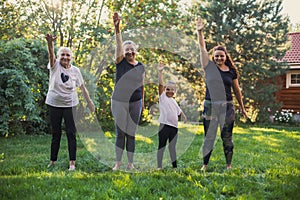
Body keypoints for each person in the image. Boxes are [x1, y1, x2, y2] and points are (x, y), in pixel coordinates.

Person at [196, 19, 248, 171]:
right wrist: (200, 32)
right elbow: (202, 49)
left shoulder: (231, 72)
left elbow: (237, 91)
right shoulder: (209, 67)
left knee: (227, 137)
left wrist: (243, 108)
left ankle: (228, 165)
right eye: (216, 56)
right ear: (213, 57)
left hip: (227, 107)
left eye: (221, 56)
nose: (219, 58)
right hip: (210, 106)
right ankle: (205, 165)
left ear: (226, 56)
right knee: (209, 137)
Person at [45, 34, 95, 171]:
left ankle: (72, 162)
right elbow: (51, 55)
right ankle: (52, 161)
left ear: (71, 57)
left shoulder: (75, 71)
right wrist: (50, 43)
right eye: (62, 55)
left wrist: (90, 102)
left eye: (68, 55)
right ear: (58, 56)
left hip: (70, 105)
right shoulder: (55, 66)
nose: (65, 57)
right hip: (54, 104)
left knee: (71, 133)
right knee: (56, 133)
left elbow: (83, 87)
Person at [111, 12, 145, 171]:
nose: (129, 52)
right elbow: (118, 46)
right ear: (124, 52)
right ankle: (118, 163)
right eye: (127, 50)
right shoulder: (120, 62)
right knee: (120, 133)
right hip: (119, 102)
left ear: (136, 51)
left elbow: (142, 85)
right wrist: (117, 29)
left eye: (132, 49)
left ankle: (130, 163)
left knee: (131, 133)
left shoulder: (140, 66)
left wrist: (142, 102)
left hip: (136, 102)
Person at [157, 63, 187, 170]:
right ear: (164, 90)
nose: (170, 91)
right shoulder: (163, 98)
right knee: (161, 146)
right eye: (167, 89)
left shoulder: (174, 101)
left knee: (172, 147)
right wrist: (160, 72)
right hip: (164, 126)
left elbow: (179, 111)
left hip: (174, 128)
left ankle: (174, 166)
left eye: (172, 90)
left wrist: (183, 116)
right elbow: (160, 85)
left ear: (175, 91)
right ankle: (159, 166)